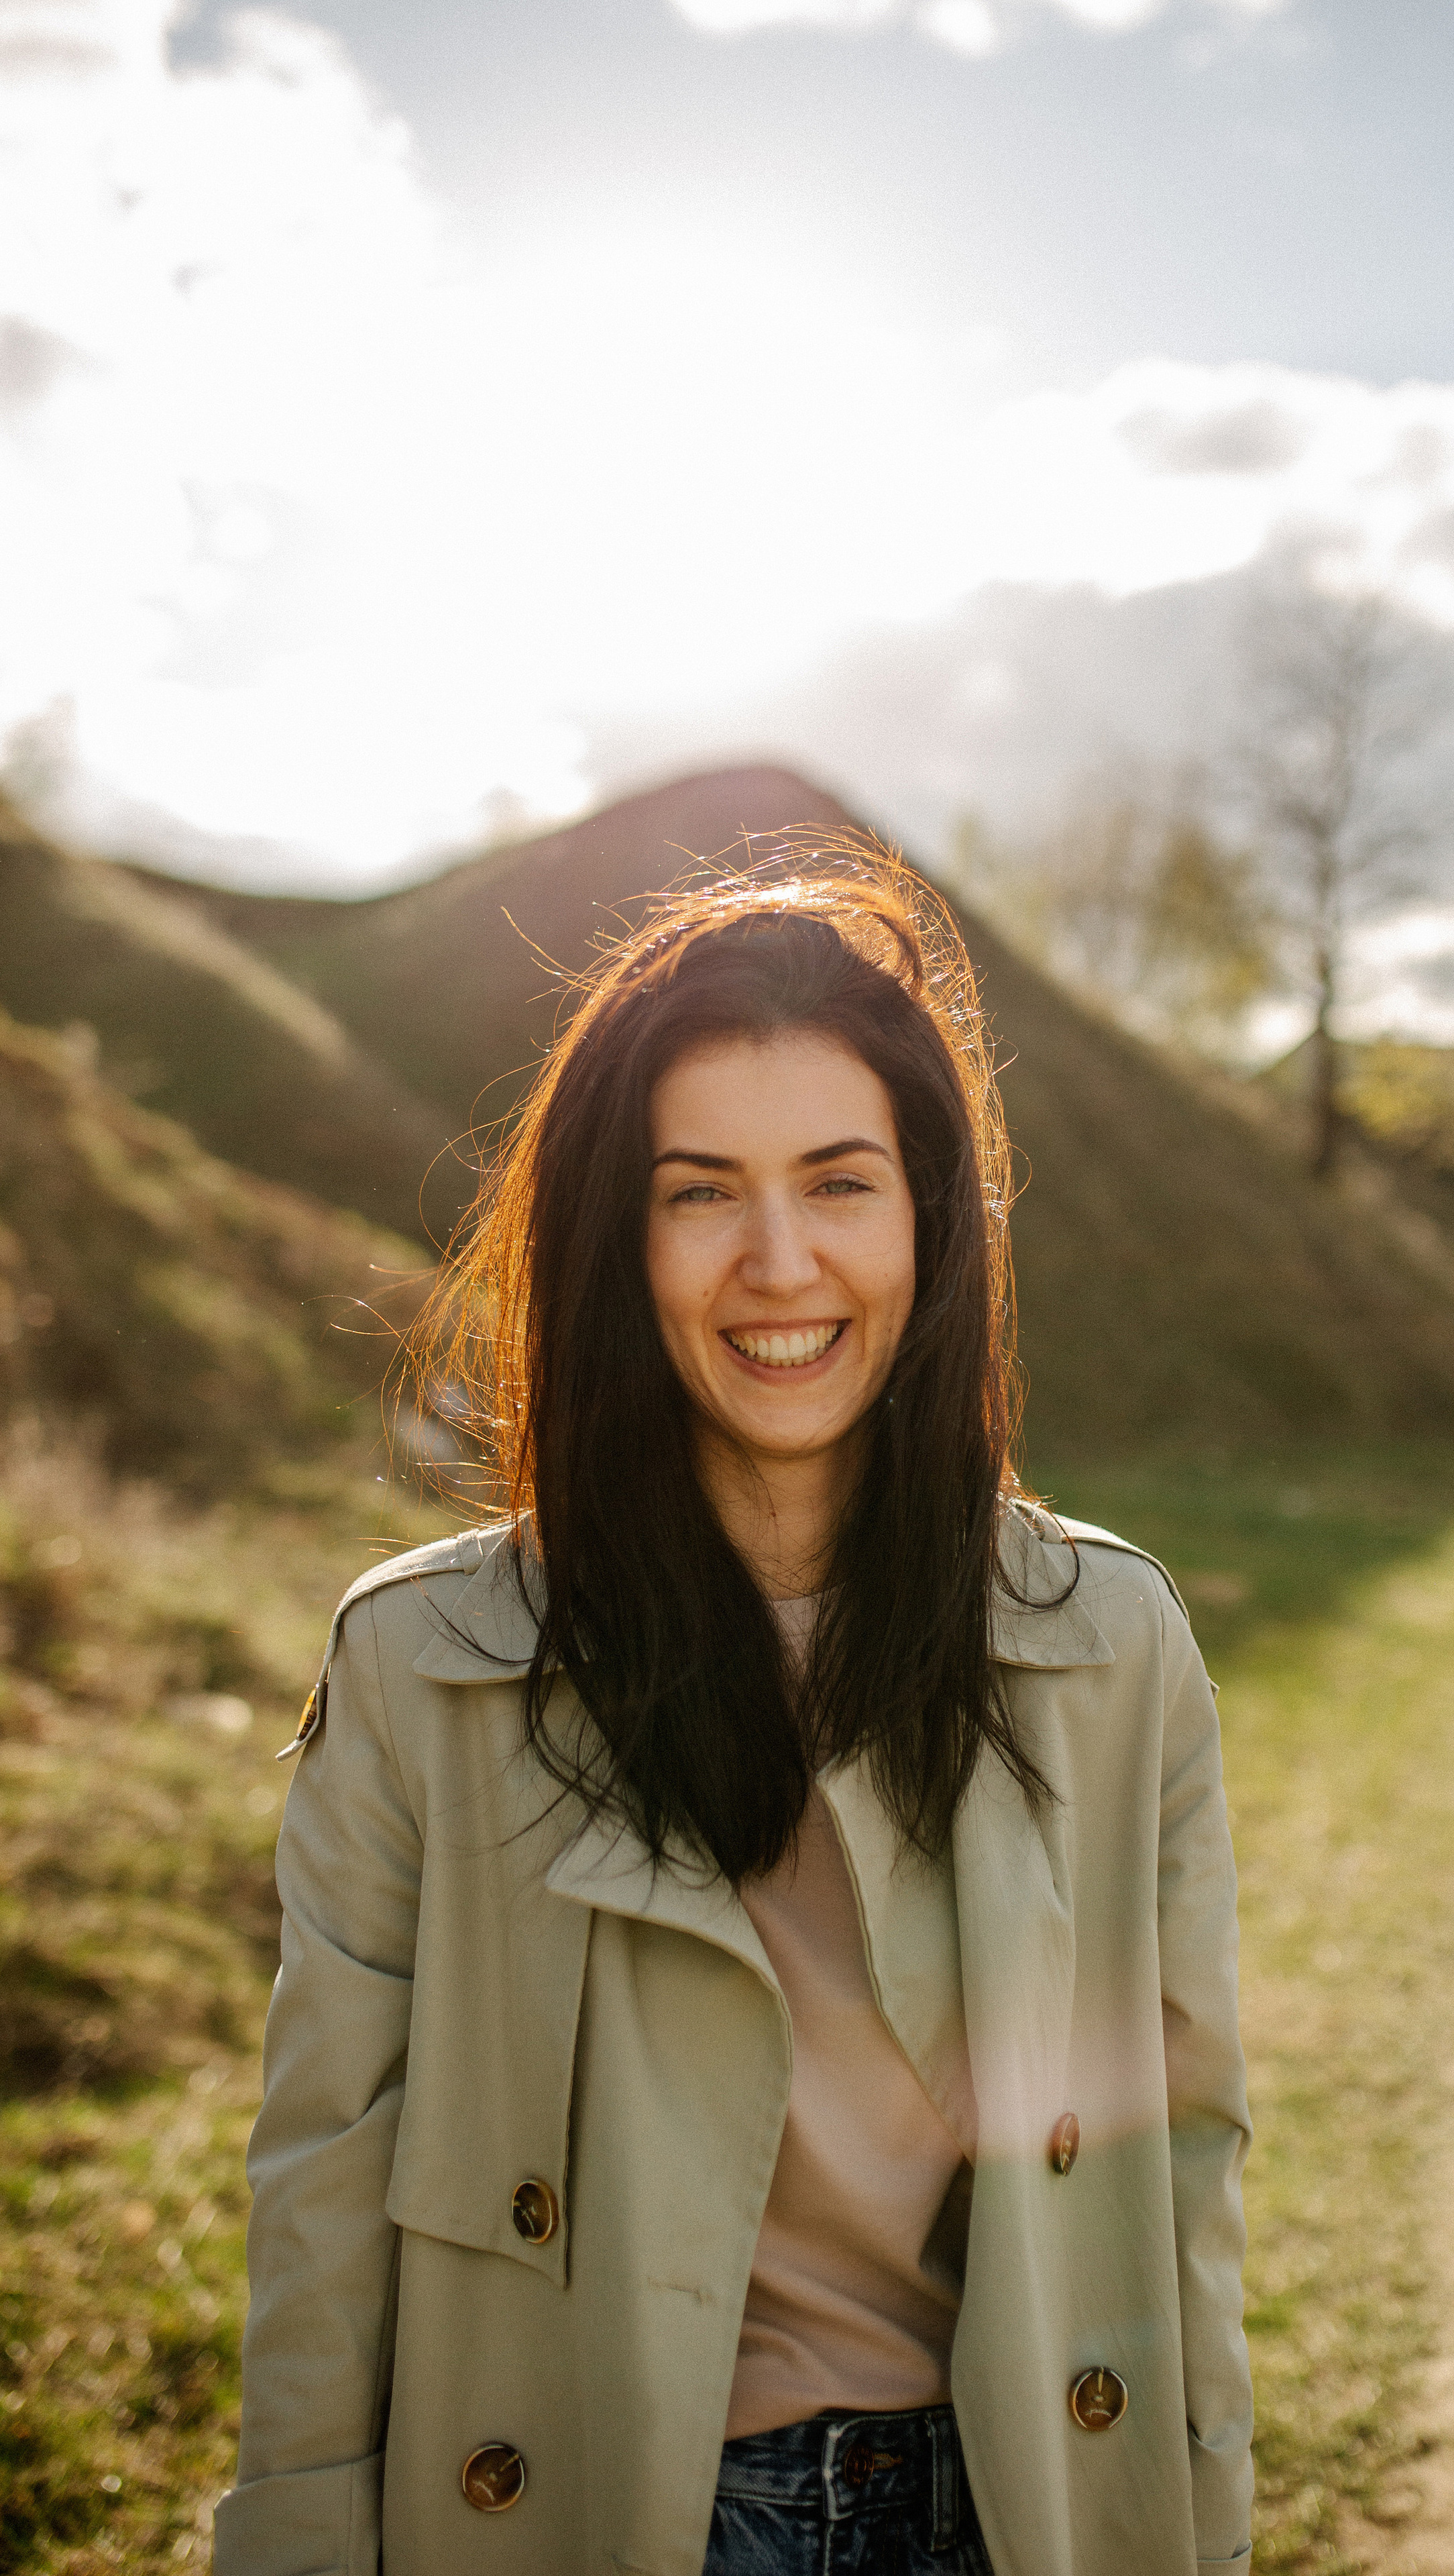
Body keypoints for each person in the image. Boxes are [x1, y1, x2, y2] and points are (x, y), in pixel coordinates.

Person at [213, 839, 1253, 2576]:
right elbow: (323, 2190)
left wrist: (1202, 2524)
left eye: (840, 1181)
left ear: (930, 1215)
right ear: (619, 1239)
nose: (779, 1260)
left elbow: (1186, 2155)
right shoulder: (425, 1673)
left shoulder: (1111, 1646)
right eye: (701, 1190)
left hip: (1014, 2507)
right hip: (625, 2509)